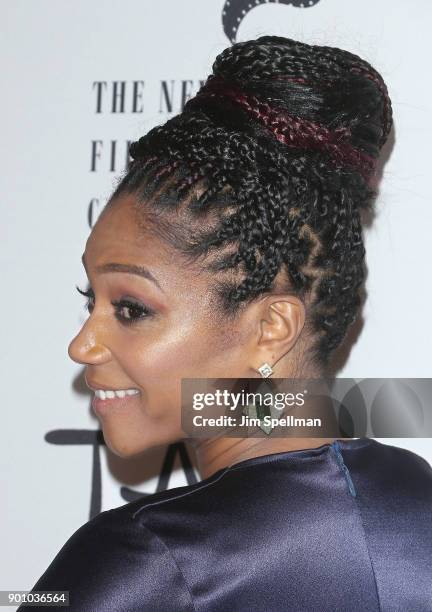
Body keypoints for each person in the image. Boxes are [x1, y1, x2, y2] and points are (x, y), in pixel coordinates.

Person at [21, 36, 432, 611]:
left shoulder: (143, 566)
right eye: (90, 299)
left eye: (131, 309)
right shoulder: (417, 501)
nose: (82, 344)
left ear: (271, 328)